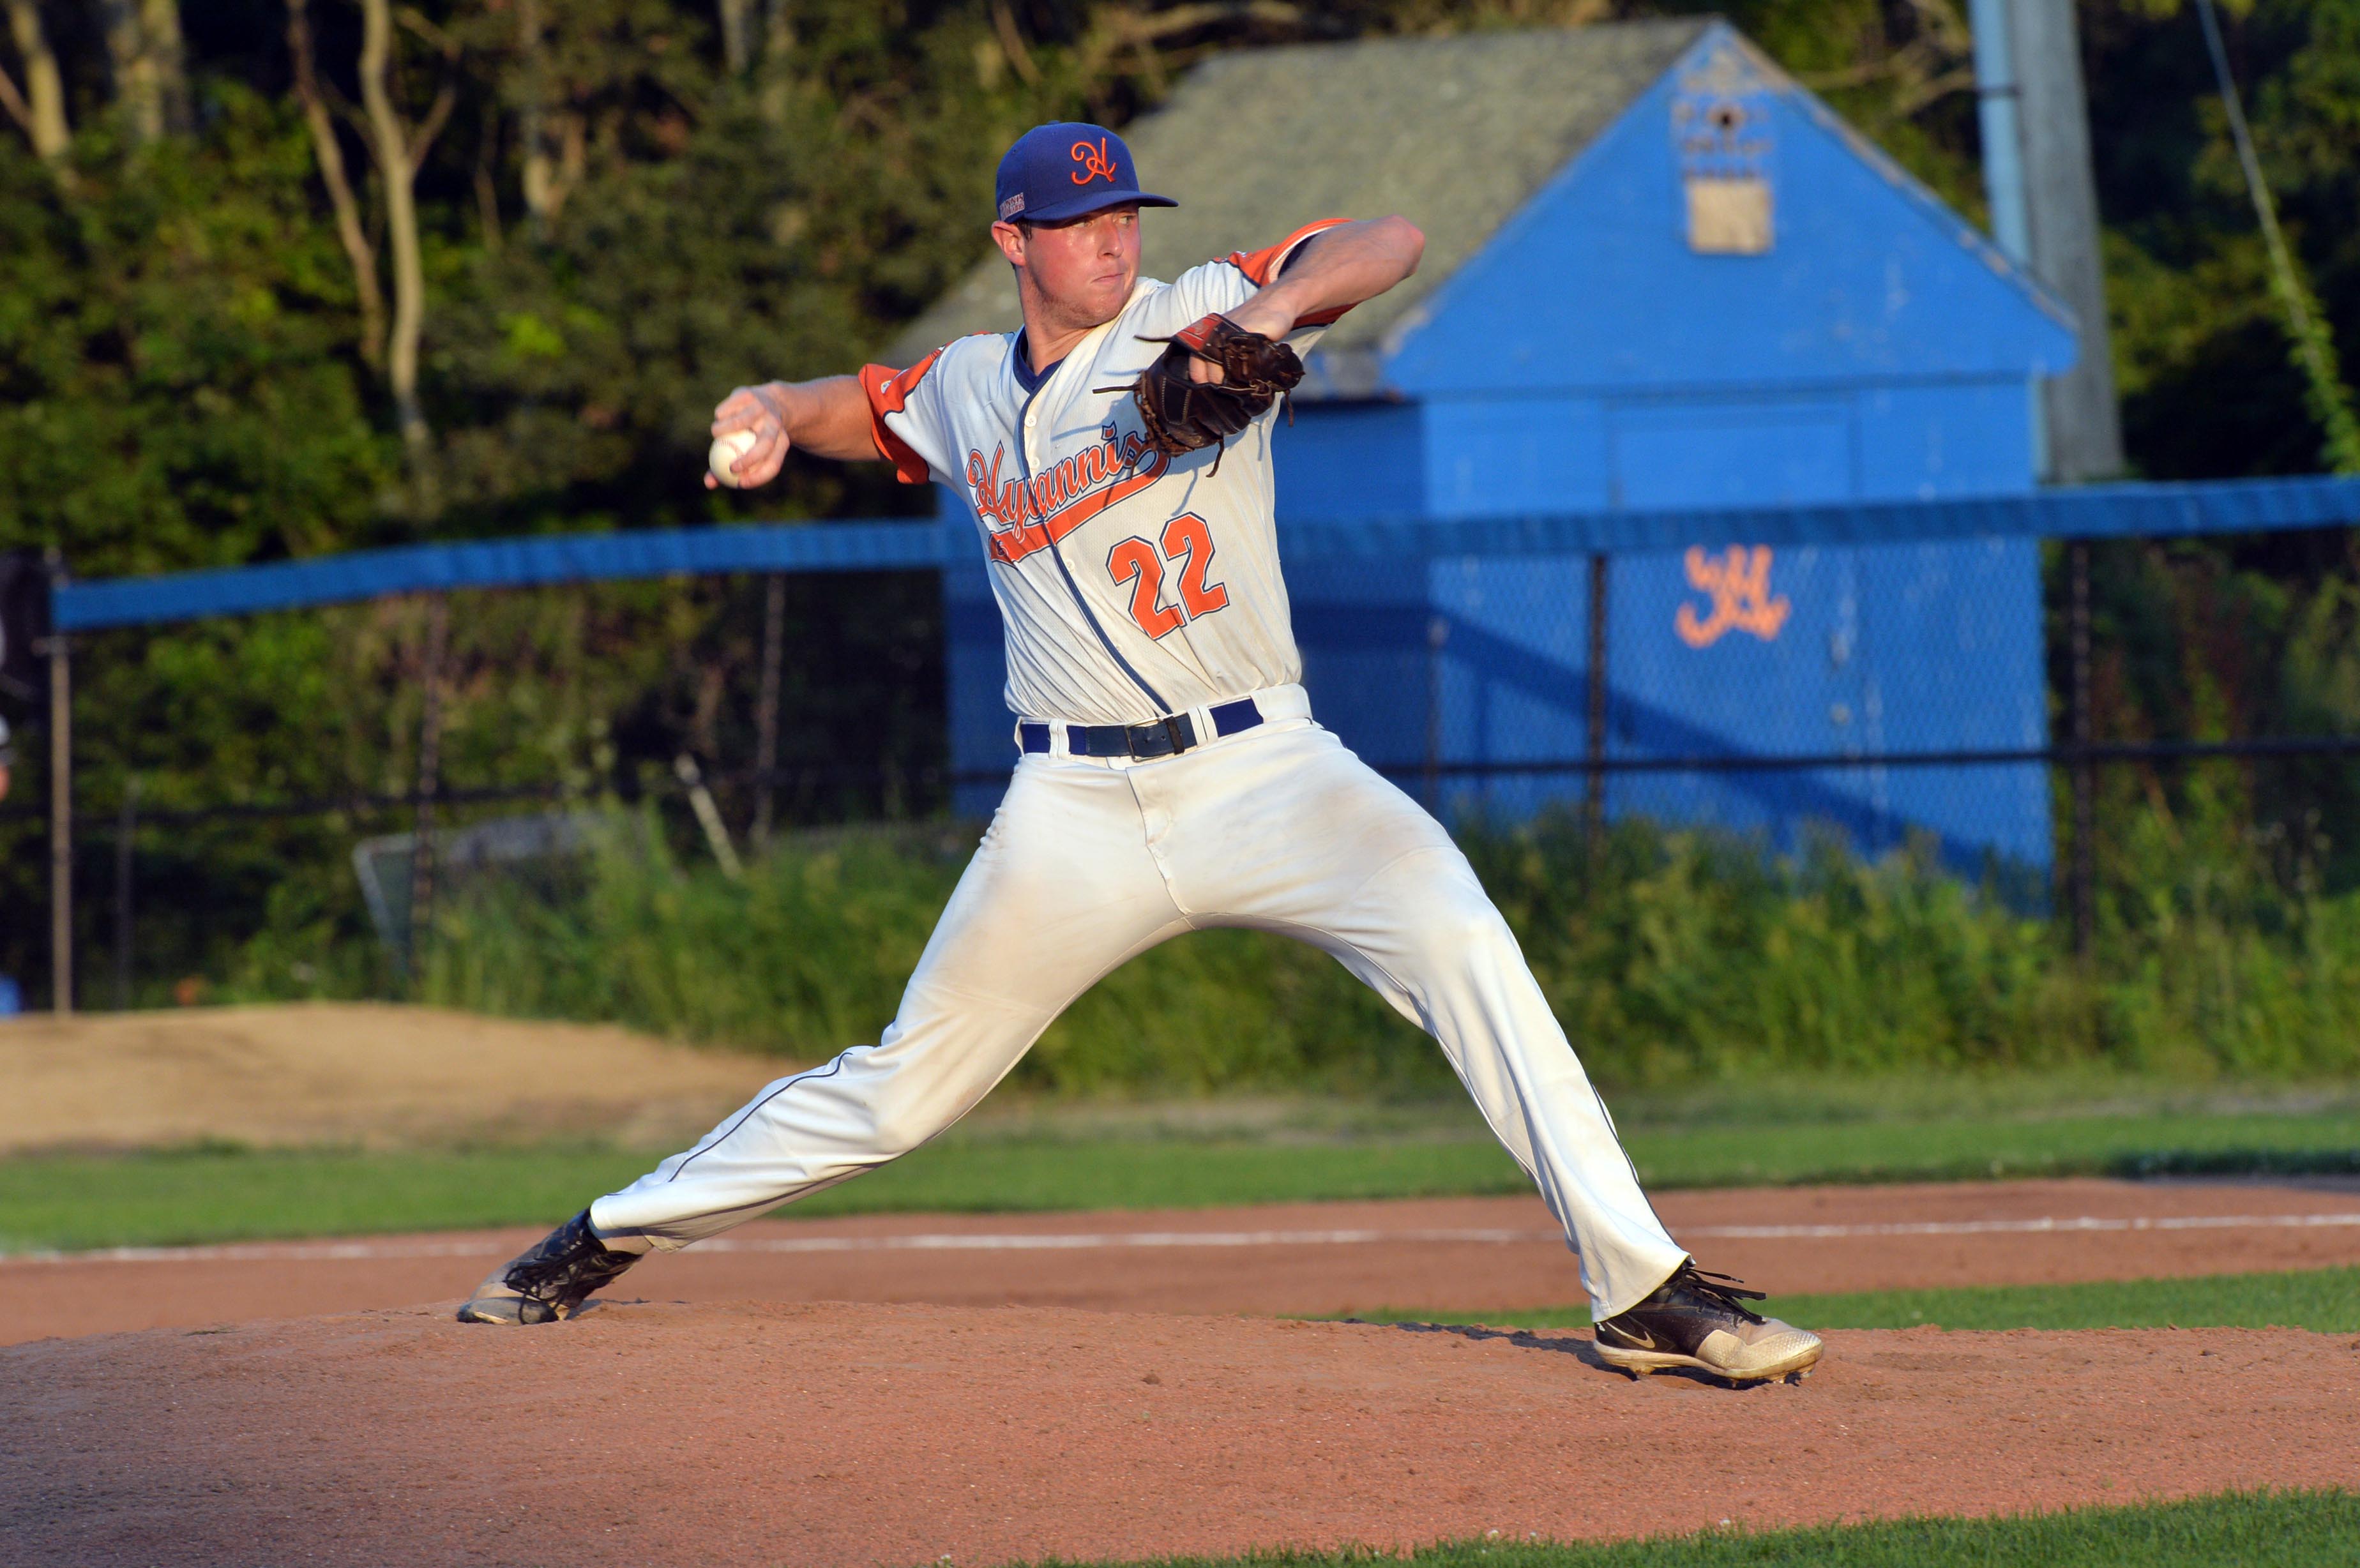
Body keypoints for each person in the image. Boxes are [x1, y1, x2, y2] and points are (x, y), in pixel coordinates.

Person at [458, 122, 1823, 1385]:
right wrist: (762, 405)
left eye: (1122, 211)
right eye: (1079, 219)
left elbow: (1391, 240)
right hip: (1075, 803)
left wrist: (1268, 315)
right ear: (1015, 242)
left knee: (1465, 941)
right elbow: (859, 405)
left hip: (1272, 771)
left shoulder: (1194, 309)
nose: (1111, 238)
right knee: (903, 1090)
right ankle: (599, 1237)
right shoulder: (970, 393)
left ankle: (1641, 1288)